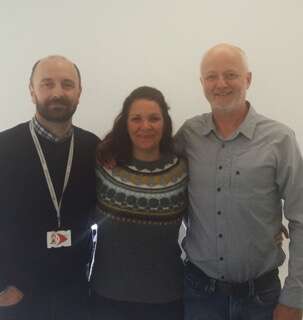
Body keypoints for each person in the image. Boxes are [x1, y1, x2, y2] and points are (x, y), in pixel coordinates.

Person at [175, 43, 303, 320]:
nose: (220, 83)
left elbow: (301, 218)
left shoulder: (280, 140)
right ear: (202, 83)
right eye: (211, 76)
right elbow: (151, 158)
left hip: (261, 298)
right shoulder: (188, 134)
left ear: (248, 79)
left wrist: (296, 297)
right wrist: (110, 148)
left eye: (231, 75)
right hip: (199, 294)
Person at [0, 55, 99, 319]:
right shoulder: (4, 147)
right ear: (32, 91)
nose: (58, 92)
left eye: (67, 84)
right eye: (47, 84)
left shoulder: (94, 148)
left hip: (77, 294)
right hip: (18, 297)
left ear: (79, 92)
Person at [90, 86, 188, 320]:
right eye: (136, 119)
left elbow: (212, 211)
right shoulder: (104, 166)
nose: (145, 126)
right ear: (125, 123)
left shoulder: (182, 169)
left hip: (167, 299)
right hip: (107, 297)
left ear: (165, 123)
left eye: (154, 118)